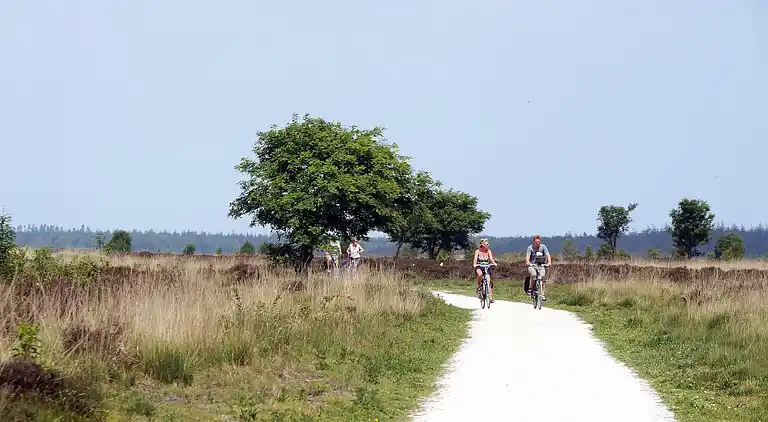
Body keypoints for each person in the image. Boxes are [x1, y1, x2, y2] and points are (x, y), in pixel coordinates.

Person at [525, 234, 552, 300]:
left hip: (541, 265)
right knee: (533, 274)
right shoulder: (530, 248)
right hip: (532, 265)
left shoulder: (543, 247)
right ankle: (530, 288)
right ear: (533, 242)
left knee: (542, 277)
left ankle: (542, 295)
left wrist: (549, 262)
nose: (538, 243)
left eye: (539, 242)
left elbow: (548, 255)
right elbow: (527, 257)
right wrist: (528, 262)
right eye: (536, 242)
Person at [473, 238, 498, 303]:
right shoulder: (477, 251)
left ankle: (490, 298)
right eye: (487, 244)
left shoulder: (489, 251)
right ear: (482, 244)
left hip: (487, 267)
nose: (488, 245)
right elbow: (475, 259)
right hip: (479, 266)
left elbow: (491, 259)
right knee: (480, 274)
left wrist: (494, 263)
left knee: (488, 281)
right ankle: (478, 287)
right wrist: (475, 264)